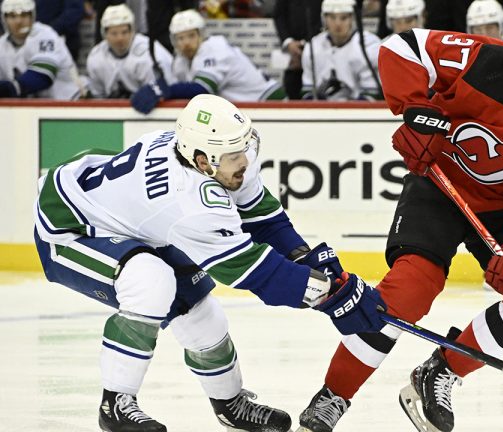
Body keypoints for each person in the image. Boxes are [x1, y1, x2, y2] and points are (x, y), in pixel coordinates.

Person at [296, 16, 503, 432]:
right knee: (409, 291)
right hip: (440, 185)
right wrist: (414, 108)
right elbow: (403, 48)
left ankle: (442, 370)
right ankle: (335, 393)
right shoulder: (483, 61)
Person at [34, 94, 387, 432]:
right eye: (235, 155)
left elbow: (264, 221)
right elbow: (257, 273)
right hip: (67, 226)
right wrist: (328, 295)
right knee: (150, 282)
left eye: (244, 148)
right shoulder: (189, 203)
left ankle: (230, 405)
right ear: (203, 162)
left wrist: (309, 261)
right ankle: (115, 403)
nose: (245, 161)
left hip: (126, 216)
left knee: (202, 315)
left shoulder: (212, 155)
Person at [130, 9, 285, 114]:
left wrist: (166, 89)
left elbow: (201, 90)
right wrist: (163, 90)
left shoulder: (214, 47)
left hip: (270, 104)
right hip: (246, 109)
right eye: (180, 38)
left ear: (201, 35)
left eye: (191, 36)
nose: (186, 43)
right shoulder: (180, 61)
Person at [87, 4, 175, 98]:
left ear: (132, 31)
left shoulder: (150, 53)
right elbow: (98, 97)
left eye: (124, 32)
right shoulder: (96, 56)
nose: (119, 38)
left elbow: (163, 91)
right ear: (104, 34)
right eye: (114, 33)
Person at [0, 0, 83, 100]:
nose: (19, 21)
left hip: (70, 102)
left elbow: (42, 77)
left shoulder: (46, 35)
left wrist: (12, 88)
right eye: (12, 16)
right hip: (33, 107)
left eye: (24, 15)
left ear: (32, 16)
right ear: (4, 19)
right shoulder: (2, 44)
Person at [301, 0, 382, 100]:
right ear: (324, 18)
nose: (337, 23)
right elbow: (307, 92)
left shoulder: (369, 46)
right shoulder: (313, 46)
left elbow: (371, 95)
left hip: (359, 113)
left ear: (352, 18)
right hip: (322, 113)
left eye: (343, 18)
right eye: (332, 17)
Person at [273, 0, 323, 99]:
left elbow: (328, 18)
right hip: (294, 54)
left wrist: (307, 46)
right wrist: (289, 43)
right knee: (293, 93)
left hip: (318, 52)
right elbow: (279, 15)